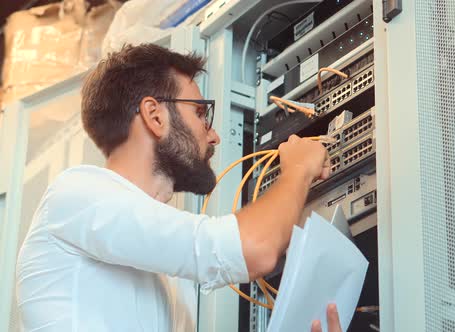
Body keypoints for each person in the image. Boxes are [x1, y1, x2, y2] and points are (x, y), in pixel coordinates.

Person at [15, 44, 341, 331]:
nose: (213, 136)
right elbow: (256, 248)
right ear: (155, 117)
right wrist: (298, 169)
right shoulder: (76, 195)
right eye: (200, 114)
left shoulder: (168, 280)